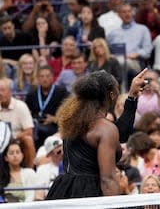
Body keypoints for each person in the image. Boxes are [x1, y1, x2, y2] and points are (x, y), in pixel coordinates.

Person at [46, 68, 147, 199]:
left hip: (64, 190)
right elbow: (108, 179)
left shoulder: (72, 121)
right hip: (90, 194)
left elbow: (119, 135)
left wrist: (132, 96)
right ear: (111, 95)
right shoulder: (103, 128)